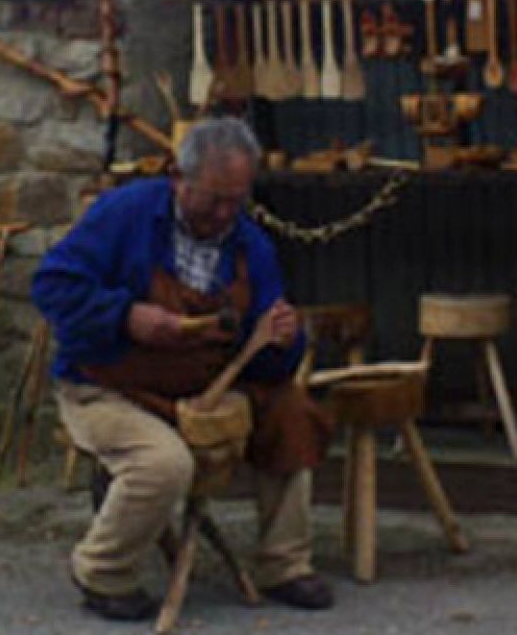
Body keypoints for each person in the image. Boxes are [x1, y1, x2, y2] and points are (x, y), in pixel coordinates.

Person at [33, 118, 332, 622]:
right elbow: (51, 287)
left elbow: (271, 363)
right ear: (178, 177)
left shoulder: (250, 243)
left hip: (201, 389)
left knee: (292, 412)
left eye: (236, 200)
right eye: (214, 200)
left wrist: (284, 337)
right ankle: (102, 572)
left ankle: (285, 565)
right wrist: (125, 316)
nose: (225, 214)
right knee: (165, 464)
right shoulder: (124, 214)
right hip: (107, 385)